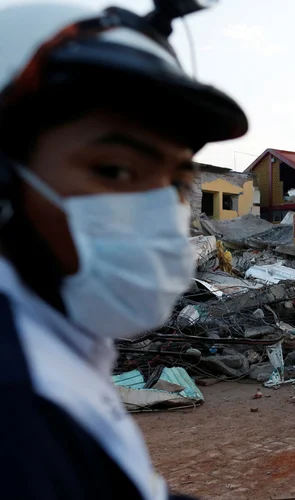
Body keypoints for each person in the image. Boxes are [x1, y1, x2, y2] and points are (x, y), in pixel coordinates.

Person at [0, 2, 247, 499]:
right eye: (113, 170)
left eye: (176, 182)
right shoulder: (18, 410)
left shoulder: (56, 349)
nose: (157, 212)